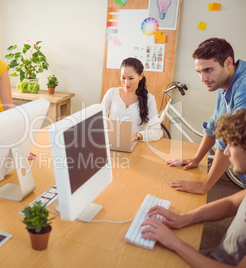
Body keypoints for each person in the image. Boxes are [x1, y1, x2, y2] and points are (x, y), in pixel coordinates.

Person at [141, 109, 246, 267]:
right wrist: (185, 217)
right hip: (213, 256)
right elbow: (231, 204)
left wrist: (175, 243)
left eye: (232, 144)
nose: (225, 152)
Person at [167, 38, 246, 194]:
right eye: (199, 72)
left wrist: (205, 186)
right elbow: (214, 125)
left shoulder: (243, 88)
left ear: (228, 62)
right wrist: (196, 159)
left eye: (208, 70)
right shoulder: (224, 82)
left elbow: (230, 139)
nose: (203, 79)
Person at [101, 57, 163, 142]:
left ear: (141, 76)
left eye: (131, 78)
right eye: (123, 78)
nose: (126, 83)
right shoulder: (111, 93)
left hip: (135, 147)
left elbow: (157, 132)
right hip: (111, 144)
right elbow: (98, 120)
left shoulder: (149, 99)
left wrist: (136, 136)